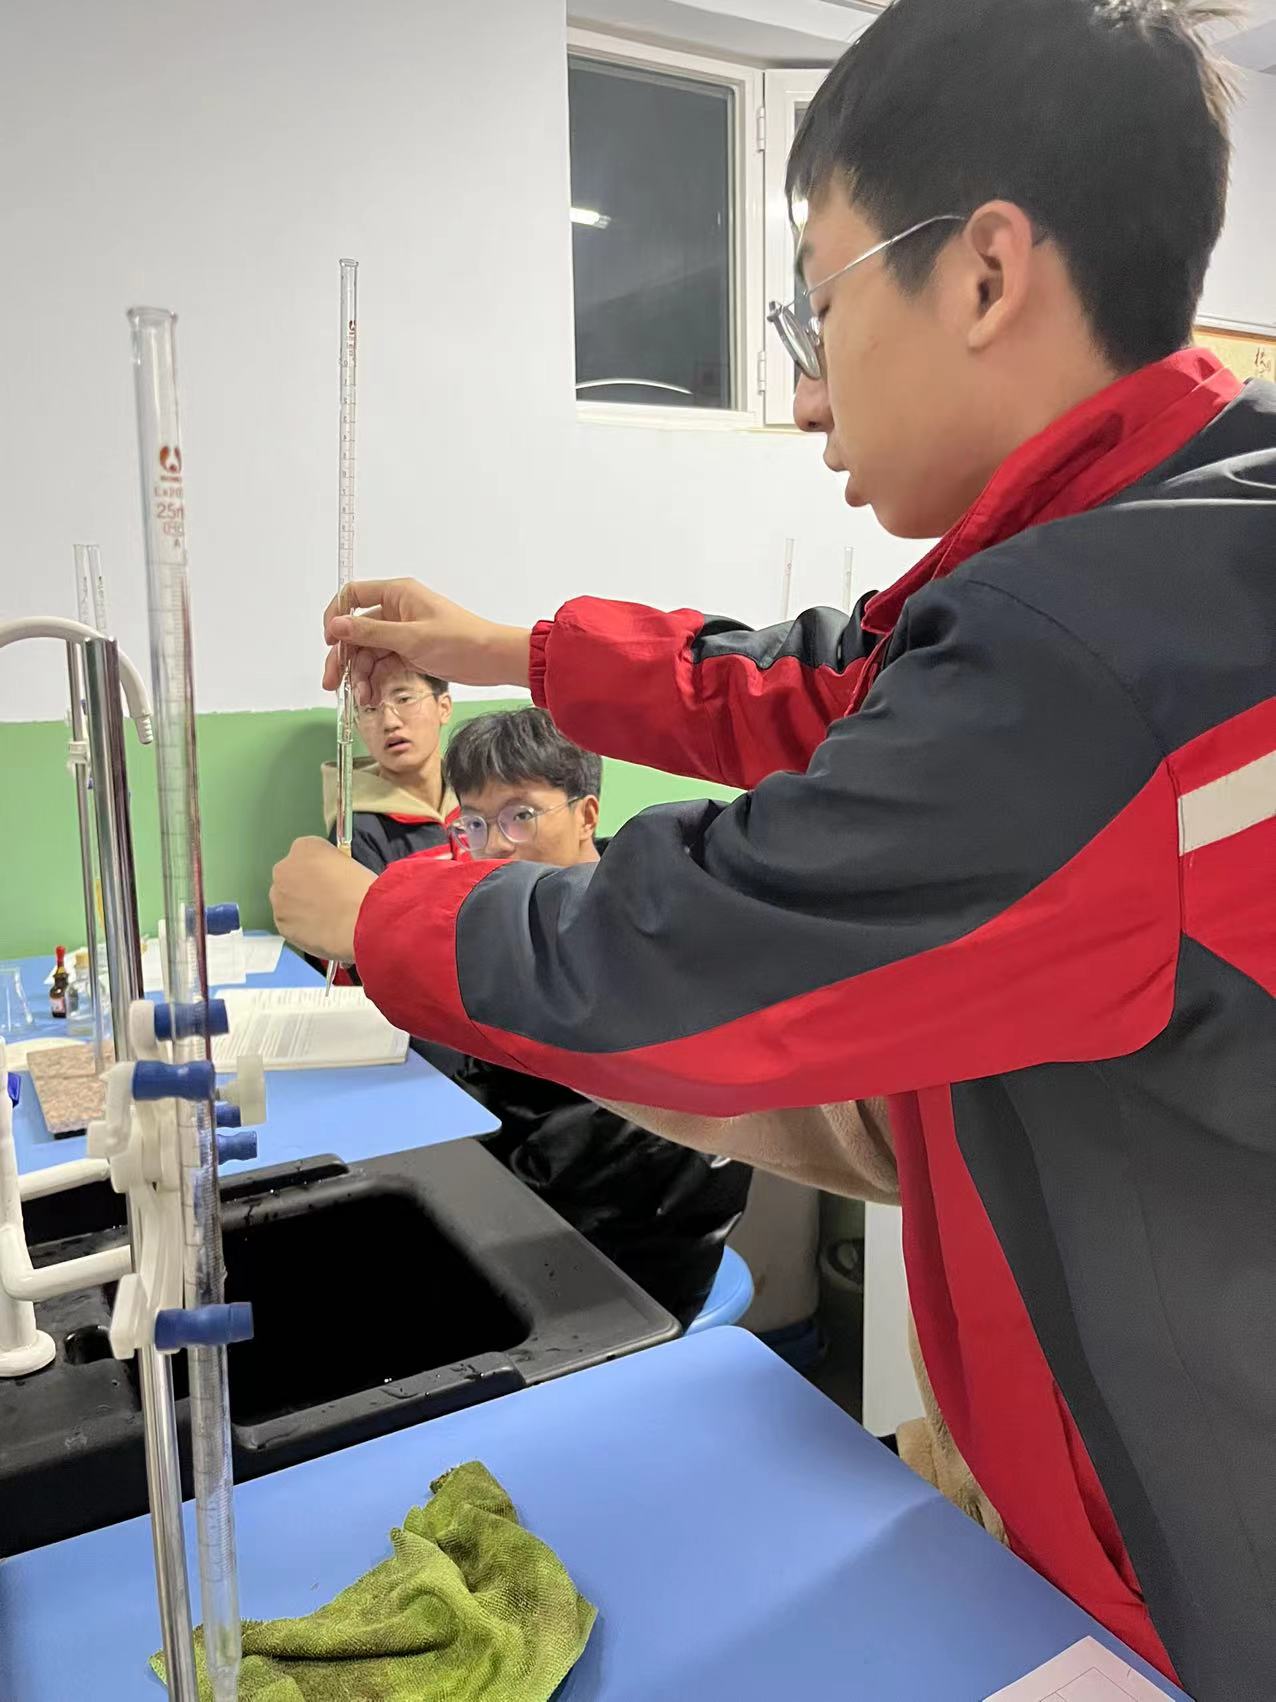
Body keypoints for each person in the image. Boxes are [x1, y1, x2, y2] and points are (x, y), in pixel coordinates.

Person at [271, 2, 1276, 1695]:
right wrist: (507, 645)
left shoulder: (1093, 665)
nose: (806, 393)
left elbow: (674, 960)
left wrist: (376, 907)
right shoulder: (1162, 540)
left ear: (984, 273)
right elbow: (831, 683)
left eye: (819, 301)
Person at [434, 706, 752, 1328]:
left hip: (631, 1271)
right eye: (474, 822)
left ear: (586, 814)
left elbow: (616, 1166)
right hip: (555, 1219)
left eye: (520, 815)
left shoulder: (646, 938)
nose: (494, 844)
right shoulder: (527, 928)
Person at [321, 667, 460, 869]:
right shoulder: (355, 832)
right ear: (357, 726)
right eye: (369, 709)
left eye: (404, 699)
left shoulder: (479, 792)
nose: (389, 722)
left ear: (443, 707)